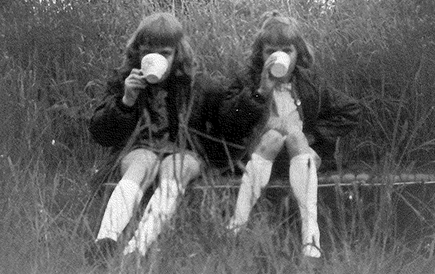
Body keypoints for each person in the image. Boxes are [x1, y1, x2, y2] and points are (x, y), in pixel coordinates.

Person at [86, 12, 273, 265]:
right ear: (137, 53)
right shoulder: (125, 82)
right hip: (141, 148)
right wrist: (126, 100)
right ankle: (105, 240)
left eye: (165, 53)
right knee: (142, 162)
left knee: (176, 167)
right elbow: (101, 133)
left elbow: (230, 123)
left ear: (177, 54)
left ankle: (138, 248)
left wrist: (258, 95)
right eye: (148, 52)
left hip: (186, 151)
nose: (156, 59)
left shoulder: (198, 84)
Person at [226, 11, 361, 260]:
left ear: (297, 53)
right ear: (261, 55)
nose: (280, 56)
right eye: (271, 51)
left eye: (287, 50)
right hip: (261, 156)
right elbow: (229, 119)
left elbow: (351, 110)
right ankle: (237, 225)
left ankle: (310, 237)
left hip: (300, 156)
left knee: (295, 138)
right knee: (273, 137)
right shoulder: (248, 80)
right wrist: (260, 91)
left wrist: (311, 137)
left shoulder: (309, 82)